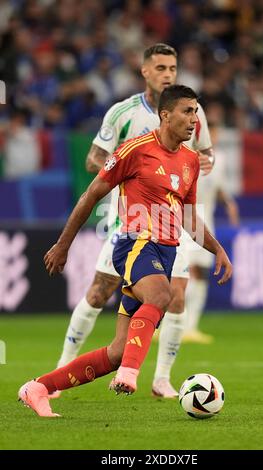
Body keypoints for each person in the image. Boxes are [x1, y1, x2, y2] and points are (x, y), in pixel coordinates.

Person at [18, 85, 232, 417]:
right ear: (166, 114)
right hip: (135, 244)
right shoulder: (134, 149)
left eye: (196, 112)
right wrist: (63, 244)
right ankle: (130, 374)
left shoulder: (190, 160)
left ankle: (39, 388)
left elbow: (189, 216)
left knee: (118, 350)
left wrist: (217, 249)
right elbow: (90, 196)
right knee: (162, 295)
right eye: (188, 111)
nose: (194, 119)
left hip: (167, 250)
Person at [54, 43, 215, 399]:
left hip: (174, 218)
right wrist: (130, 173)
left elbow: (203, 154)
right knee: (99, 291)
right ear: (145, 71)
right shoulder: (122, 112)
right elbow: (94, 159)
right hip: (129, 217)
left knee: (176, 297)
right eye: (160, 68)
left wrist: (206, 162)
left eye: (172, 68)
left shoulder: (191, 114)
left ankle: (161, 379)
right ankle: (62, 367)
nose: (167, 74)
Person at [183, 123, 240, 343]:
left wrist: (228, 203)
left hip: (207, 219)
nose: (211, 136)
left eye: (214, 133)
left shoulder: (219, 159)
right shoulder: (184, 153)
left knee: (201, 272)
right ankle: (169, 322)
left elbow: (218, 187)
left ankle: (190, 327)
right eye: (208, 132)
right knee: (181, 272)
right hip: (185, 218)